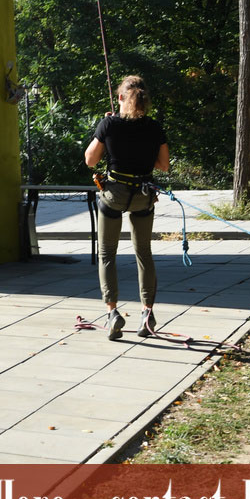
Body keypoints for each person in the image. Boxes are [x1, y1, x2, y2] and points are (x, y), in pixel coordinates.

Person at [84, 75, 170, 341]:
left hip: (114, 195)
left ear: (121, 98)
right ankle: (147, 312)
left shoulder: (109, 124)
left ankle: (112, 313)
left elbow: (90, 160)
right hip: (143, 195)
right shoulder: (154, 128)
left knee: (107, 254)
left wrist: (108, 133)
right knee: (143, 252)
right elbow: (163, 165)